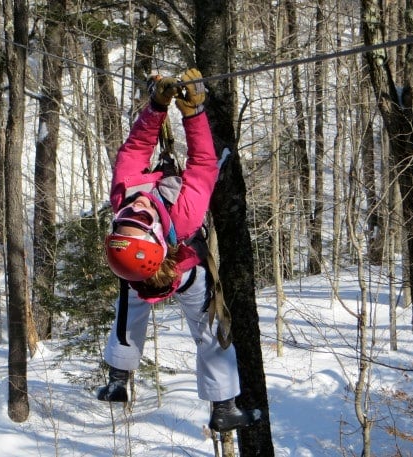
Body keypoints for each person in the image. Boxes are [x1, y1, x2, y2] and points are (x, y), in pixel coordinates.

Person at [98, 68, 260, 432]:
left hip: (144, 267)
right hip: (181, 268)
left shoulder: (124, 194)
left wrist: (157, 107)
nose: (136, 209)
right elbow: (203, 164)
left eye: (128, 218)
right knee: (209, 327)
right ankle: (224, 405)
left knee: (130, 304)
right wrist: (193, 114)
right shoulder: (183, 218)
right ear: (155, 234)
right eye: (140, 218)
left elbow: (136, 147)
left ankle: (118, 377)